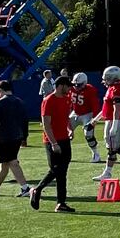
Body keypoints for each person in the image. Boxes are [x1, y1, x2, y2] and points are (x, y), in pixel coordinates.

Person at [32, 76, 75, 212]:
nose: (69, 89)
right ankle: (37, 190)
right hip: (52, 141)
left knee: (63, 172)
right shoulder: (48, 100)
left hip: (64, 139)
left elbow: (66, 117)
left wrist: (70, 129)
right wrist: (54, 143)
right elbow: (46, 125)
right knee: (56, 169)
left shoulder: (66, 99)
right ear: (61, 85)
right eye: (68, 86)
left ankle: (61, 203)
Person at [0, 81, 30, 197]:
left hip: (5, 137)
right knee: (4, 164)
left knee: (12, 162)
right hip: (17, 137)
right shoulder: (20, 102)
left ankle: (25, 188)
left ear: (1, 90)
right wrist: (24, 137)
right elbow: (25, 122)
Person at [68, 72, 103, 163]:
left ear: (84, 83)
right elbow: (68, 102)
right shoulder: (71, 88)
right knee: (65, 133)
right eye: (74, 84)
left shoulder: (90, 89)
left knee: (88, 134)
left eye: (78, 85)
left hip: (87, 114)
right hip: (75, 113)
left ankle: (96, 154)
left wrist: (94, 120)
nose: (76, 86)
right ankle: (64, 155)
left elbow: (95, 106)